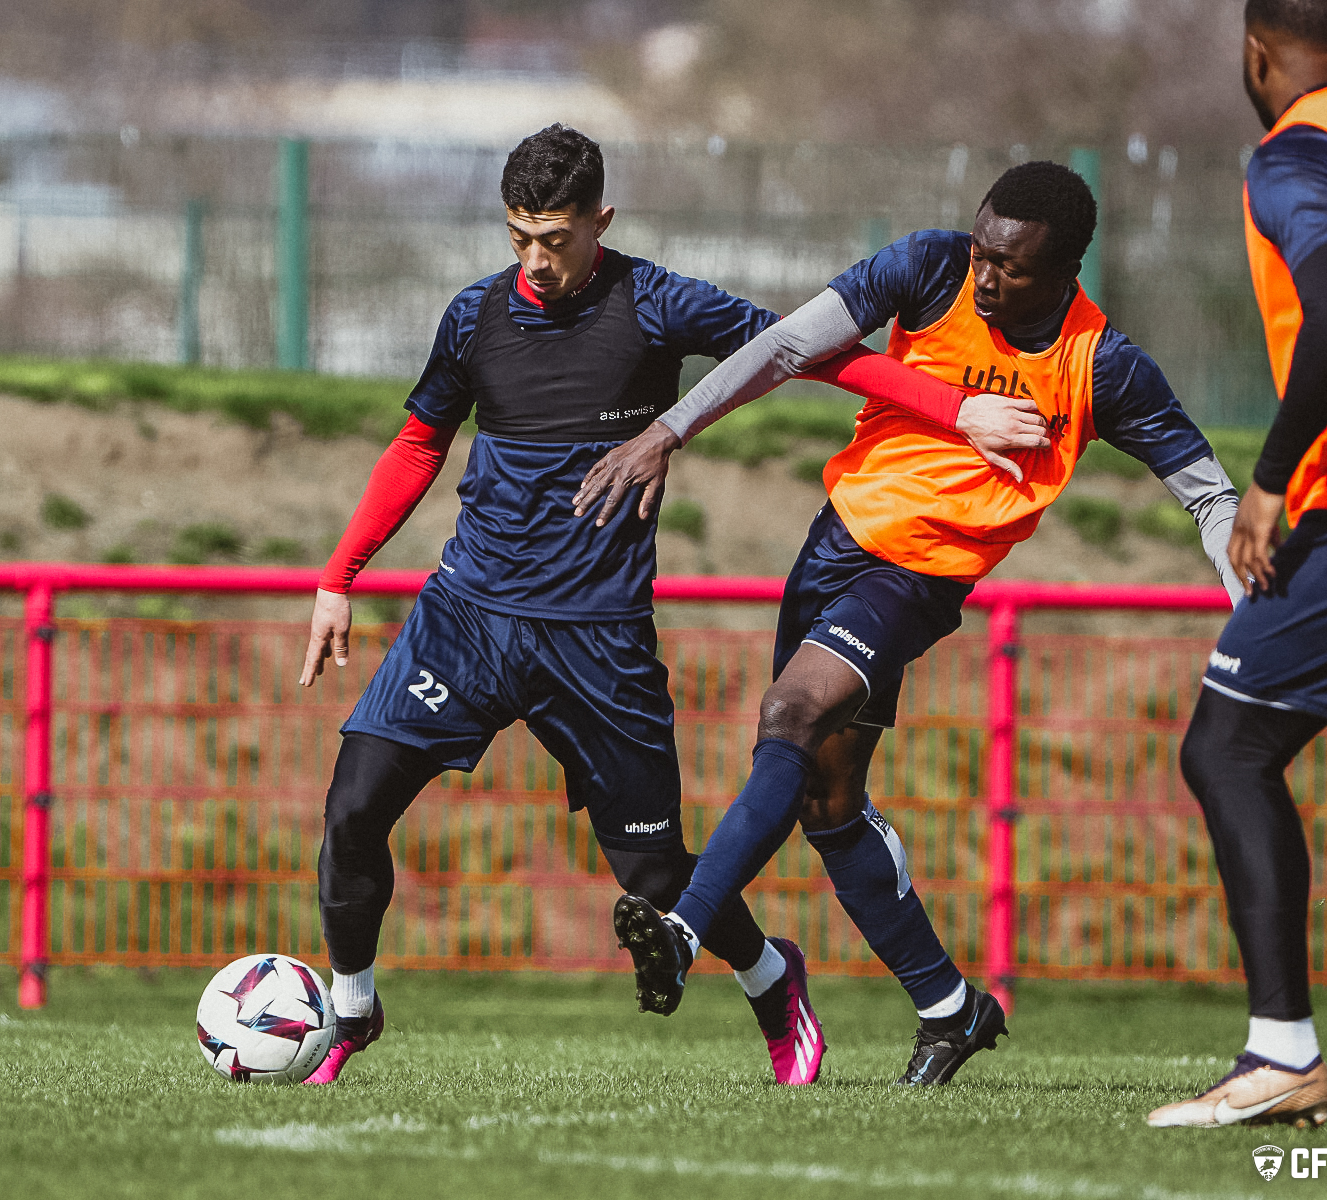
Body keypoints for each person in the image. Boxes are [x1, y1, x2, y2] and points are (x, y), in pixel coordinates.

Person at [295, 123, 968, 1086]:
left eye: (555, 239)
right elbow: (417, 445)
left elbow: (803, 350)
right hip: (466, 619)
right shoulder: (475, 316)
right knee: (354, 807)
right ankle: (352, 1013)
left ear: (600, 221)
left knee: (656, 880)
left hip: (598, 646)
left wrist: (953, 409)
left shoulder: (654, 304)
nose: (535, 261)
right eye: (518, 237)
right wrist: (337, 577)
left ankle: (774, 982)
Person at [575, 159, 1246, 1086]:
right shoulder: (927, 270)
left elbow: (1213, 499)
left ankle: (687, 930)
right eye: (981, 251)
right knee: (826, 800)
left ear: (1065, 272)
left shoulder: (1104, 366)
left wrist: (1256, 610)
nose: (984, 276)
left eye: (1010, 266)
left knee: (790, 717)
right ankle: (949, 1008)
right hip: (833, 547)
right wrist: (668, 430)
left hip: (915, 582)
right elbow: (784, 348)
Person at [1147, 0, 1327, 1130]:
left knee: (1228, 743)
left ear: (1254, 53)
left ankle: (1282, 1053)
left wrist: (1274, 475)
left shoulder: (1297, 154)